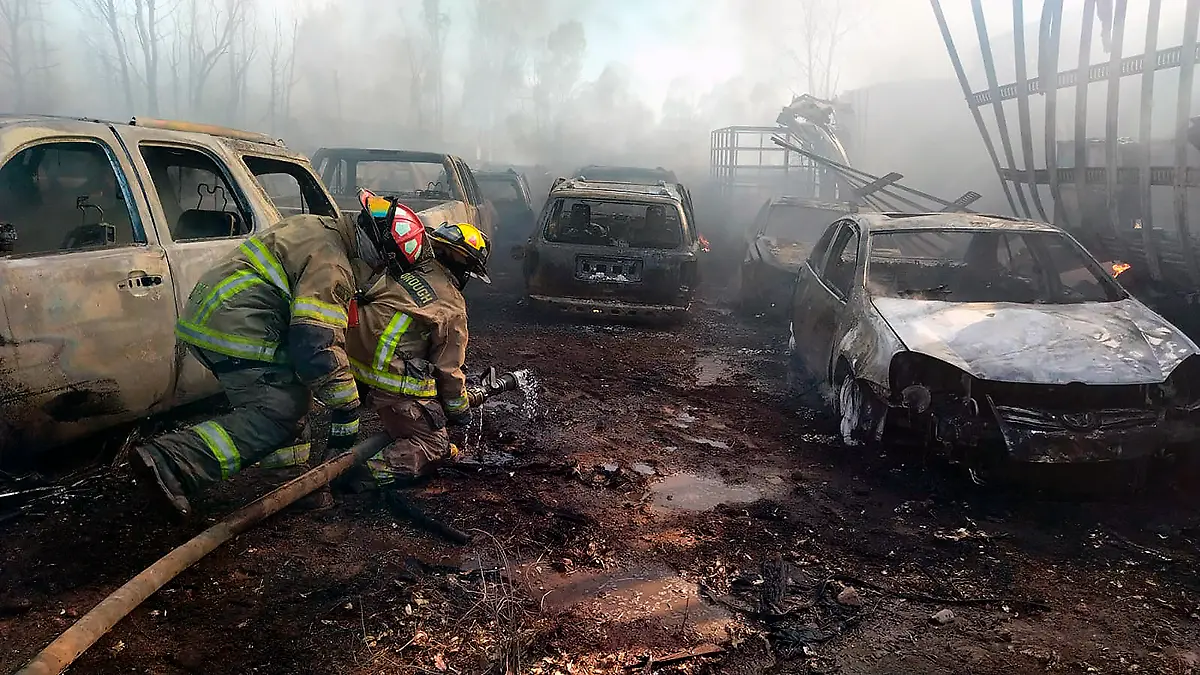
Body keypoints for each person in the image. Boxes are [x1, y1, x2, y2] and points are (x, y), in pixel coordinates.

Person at [129, 203, 393, 517]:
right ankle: (173, 460)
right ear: (375, 247)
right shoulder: (333, 263)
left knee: (289, 394)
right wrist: (347, 403)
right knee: (276, 411)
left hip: (223, 315)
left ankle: (288, 481)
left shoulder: (322, 228)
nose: (378, 272)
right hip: (238, 325)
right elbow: (315, 342)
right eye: (383, 263)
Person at [343, 190, 491, 490]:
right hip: (389, 384)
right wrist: (457, 409)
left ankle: (396, 429)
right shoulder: (451, 305)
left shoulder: (401, 272)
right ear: (465, 270)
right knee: (434, 444)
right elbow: (448, 370)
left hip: (352, 371)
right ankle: (363, 476)